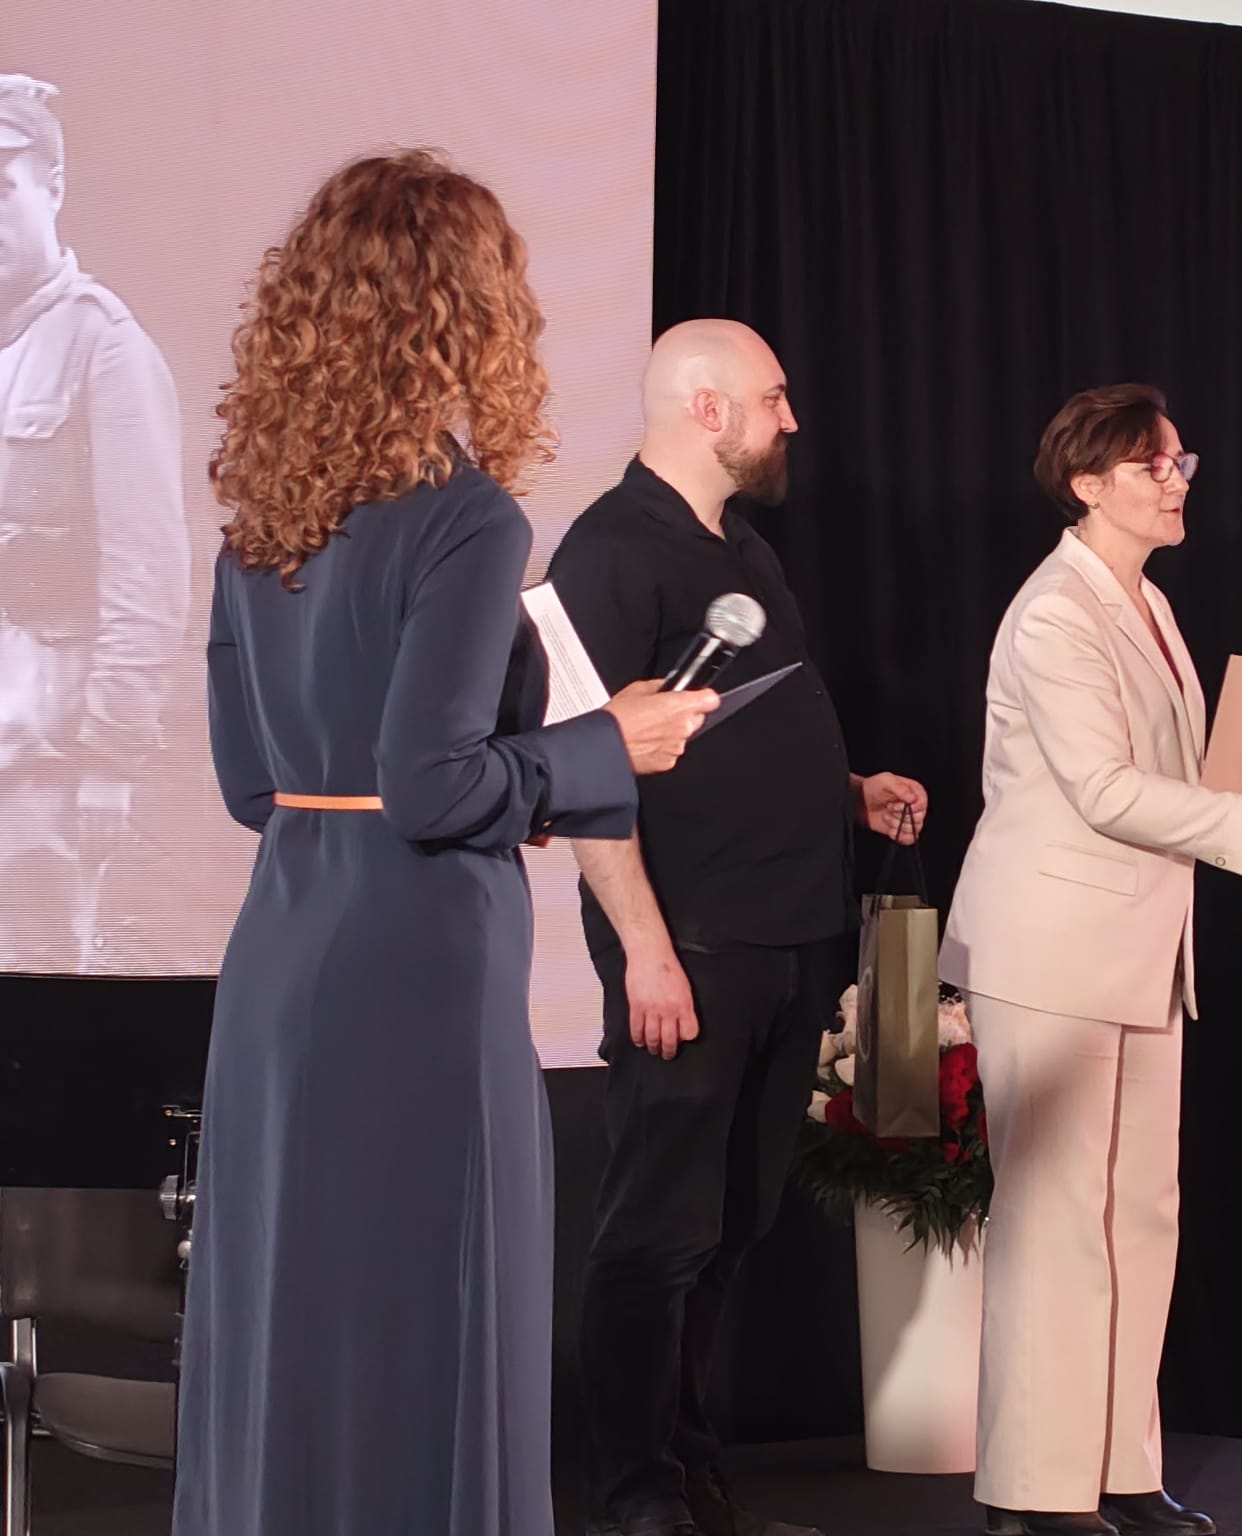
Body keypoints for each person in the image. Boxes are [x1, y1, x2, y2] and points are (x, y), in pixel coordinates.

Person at [177, 150, 717, 1536]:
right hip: (417, 955)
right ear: (469, 311)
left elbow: (250, 785)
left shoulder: (258, 527)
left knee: (296, 1303)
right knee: (430, 1297)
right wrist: (609, 745)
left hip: (283, 945)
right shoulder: (469, 518)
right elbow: (429, 790)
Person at [937, 384, 1242, 1536]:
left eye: (1180, 462)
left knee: (1138, 1216)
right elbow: (1101, 791)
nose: (1175, 481)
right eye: (1150, 465)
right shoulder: (1052, 613)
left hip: (1136, 946)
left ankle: (1119, 1472)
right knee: (1055, 1219)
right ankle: (1031, 1493)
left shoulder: (1148, 600)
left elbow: (1160, 780)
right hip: (1050, 948)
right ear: (1086, 484)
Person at [550, 319, 930, 1536]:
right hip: (693, 948)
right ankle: (634, 1493)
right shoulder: (609, 551)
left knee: (727, 1227)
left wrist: (848, 791)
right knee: (655, 1234)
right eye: (773, 399)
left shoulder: (744, 548)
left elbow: (738, 731)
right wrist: (645, 953)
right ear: (706, 409)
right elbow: (587, 773)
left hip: (785, 938)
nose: (790, 420)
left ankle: (694, 1476)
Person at [0, 73, 189, 973]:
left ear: (54, 187)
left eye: (2, 187)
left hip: (44, 754)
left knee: (32, 1004)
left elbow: (148, 572)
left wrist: (110, 757)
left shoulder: (104, 346)